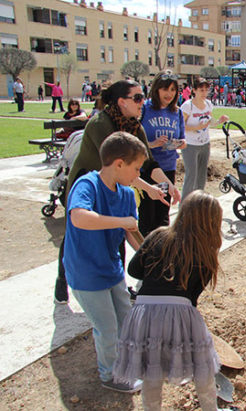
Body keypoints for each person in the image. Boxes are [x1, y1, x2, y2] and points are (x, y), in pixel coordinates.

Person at [54, 79, 178, 305]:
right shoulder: (100, 123)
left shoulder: (135, 126)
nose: (143, 102)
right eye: (138, 98)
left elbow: (147, 163)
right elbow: (117, 165)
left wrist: (166, 184)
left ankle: (116, 284)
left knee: (117, 232)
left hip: (115, 186)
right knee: (75, 234)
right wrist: (149, 188)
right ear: (121, 102)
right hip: (89, 182)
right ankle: (63, 279)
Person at [113, 191, 226, 410]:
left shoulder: (158, 235)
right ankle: (210, 407)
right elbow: (192, 296)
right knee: (202, 364)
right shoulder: (205, 250)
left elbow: (134, 269)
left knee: (150, 368)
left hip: (144, 310)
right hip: (181, 309)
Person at [63, 132, 147, 392]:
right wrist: (121, 222)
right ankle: (110, 375)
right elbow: (79, 217)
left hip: (112, 271)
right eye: (136, 169)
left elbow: (132, 234)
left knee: (125, 320)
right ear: (119, 164)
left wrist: (150, 257)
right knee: (107, 327)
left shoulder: (125, 194)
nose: (137, 176)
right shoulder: (87, 185)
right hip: (86, 273)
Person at [139, 70, 186, 236]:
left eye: (173, 90)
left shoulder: (177, 112)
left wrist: (171, 144)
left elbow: (183, 141)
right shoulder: (145, 108)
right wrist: (152, 144)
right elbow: (135, 138)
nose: (169, 94)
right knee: (147, 216)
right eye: (165, 89)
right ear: (157, 89)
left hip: (168, 167)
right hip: (148, 169)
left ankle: (161, 252)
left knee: (162, 215)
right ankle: (145, 254)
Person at [181, 77, 229, 200]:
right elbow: (180, 126)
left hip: (205, 144)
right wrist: (197, 126)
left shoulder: (208, 104)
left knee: (201, 176)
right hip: (190, 145)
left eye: (206, 90)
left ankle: (198, 203)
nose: (204, 93)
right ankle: (185, 206)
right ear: (194, 90)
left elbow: (209, 122)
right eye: (201, 90)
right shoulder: (187, 106)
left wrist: (219, 121)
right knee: (191, 175)